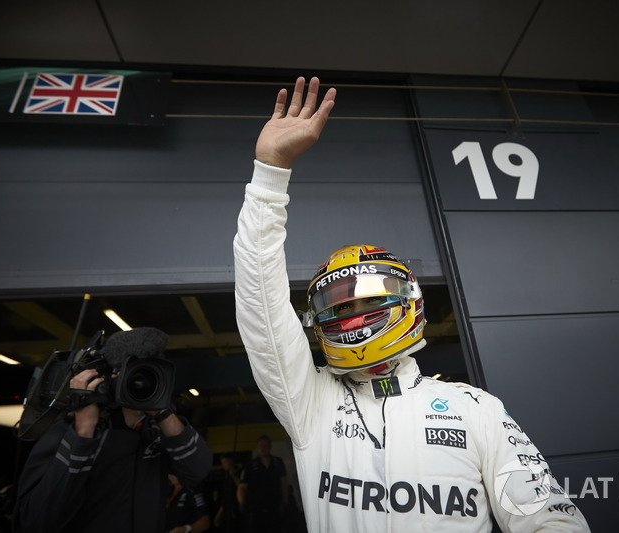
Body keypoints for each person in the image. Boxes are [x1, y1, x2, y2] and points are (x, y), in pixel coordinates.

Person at [233, 77, 591, 532]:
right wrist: (269, 173)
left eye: (366, 300)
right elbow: (260, 304)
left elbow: (551, 521)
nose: (350, 314)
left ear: (408, 301)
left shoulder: (474, 409)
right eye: (336, 307)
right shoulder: (311, 402)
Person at [13, 327, 212, 533]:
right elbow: (32, 523)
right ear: (108, 378)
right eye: (132, 374)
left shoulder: (154, 432)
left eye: (149, 375)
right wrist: (83, 433)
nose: (140, 384)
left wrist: (162, 412)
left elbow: (197, 471)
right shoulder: (70, 432)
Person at [237, 435, 288, 533]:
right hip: (256, 510)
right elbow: (242, 486)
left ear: (269, 447)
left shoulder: (278, 462)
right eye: (260, 445)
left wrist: (285, 503)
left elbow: (284, 483)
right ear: (257, 447)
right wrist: (241, 502)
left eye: (265, 445)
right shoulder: (250, 465)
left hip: (274, 508)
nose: (263, 448)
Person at [213, 454, 241, 532]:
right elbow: (225, 497)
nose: (224, 465)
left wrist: (234, 476)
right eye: (223, 463)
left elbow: (242, 487)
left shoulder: (239, 472)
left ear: (231, 461)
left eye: (225, 462)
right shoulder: (226, 476)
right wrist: (220, 512)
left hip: (236, 509)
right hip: (227, 510)